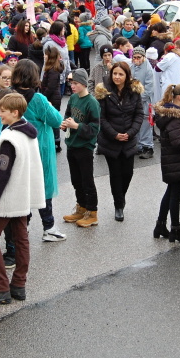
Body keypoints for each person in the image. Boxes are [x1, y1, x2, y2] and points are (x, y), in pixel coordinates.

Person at [0, 92, 44, 306]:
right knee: (21, 238)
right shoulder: (28, 131)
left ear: (15, 112)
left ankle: (1, 287)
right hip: (22, 195)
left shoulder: (9, 138)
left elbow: (1, 173)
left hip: (7, 197)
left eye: (2, 110)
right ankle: (19, 284)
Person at [11, 60, 66, 241]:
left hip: (17, 146)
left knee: (23, 186)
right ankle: (49, 227)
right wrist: (48, 104)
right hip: (40, 146)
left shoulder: (10, 96)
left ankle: (23, 227)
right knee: (44, 186)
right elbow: (56, 120)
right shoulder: (38, 99)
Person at [95, 62, 144, 222]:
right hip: (110, 141)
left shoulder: (134, 92)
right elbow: (101, 117)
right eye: (114, 73)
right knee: (115, 174)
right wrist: (115, 134)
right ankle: (118, 205)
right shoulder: (104, 91)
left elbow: (139, 115)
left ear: (127, 76)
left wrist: (130, 133)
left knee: (128, 173)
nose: (117, 77)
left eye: (120, 74)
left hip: (129, 139)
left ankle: (120, 198)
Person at [153, 83, 180, 242]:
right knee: (175, 196)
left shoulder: (169, 114)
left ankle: (160, 225)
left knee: (170, 192)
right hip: (176, 161)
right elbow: (179, 143)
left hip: (172, 161)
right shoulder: (175, 118)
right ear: (179, 97)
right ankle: (175, 229)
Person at [61, 69, 101, 227]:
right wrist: (65, 124)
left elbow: (94, 129)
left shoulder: (92, 103)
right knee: (76, 180)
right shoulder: (73, 98)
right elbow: (67, 115)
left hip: (84, 147)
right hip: (71, 144)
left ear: (84, 84)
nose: (72, 86)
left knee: (87, 180)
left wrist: (76, 126)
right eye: (71, 83)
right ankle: (81, 207)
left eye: (75, 83)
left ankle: (92, 212)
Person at [130, 47, 155, 159]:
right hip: (134, 101)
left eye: (138, 57)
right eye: (134, 57)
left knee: (145, 124)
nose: (136, 60)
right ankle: (139, 146)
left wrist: (140, 99)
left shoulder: (148, 69)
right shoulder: (131, 67)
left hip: (144, 101)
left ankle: (148, 147)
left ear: (143, 57)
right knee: (136, 123)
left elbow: (149, 88)